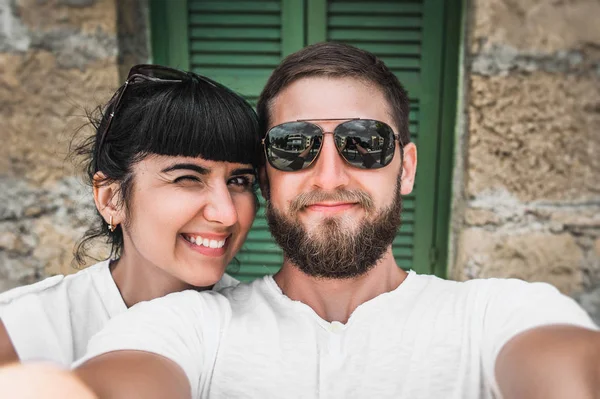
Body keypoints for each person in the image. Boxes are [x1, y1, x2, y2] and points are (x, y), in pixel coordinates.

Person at [4, 43, 600, 399]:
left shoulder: (496, 313)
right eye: (294, 146)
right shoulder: (190, 323)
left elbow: (568, 368)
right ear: (269, 173)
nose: (331, 175)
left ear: (408, 165)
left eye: (365, 143)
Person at [0, 64, 263, 367]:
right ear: (111, 198)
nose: (227, 214)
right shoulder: (23, 332)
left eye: (239, 181)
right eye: (187, 178)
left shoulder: (268, 330)